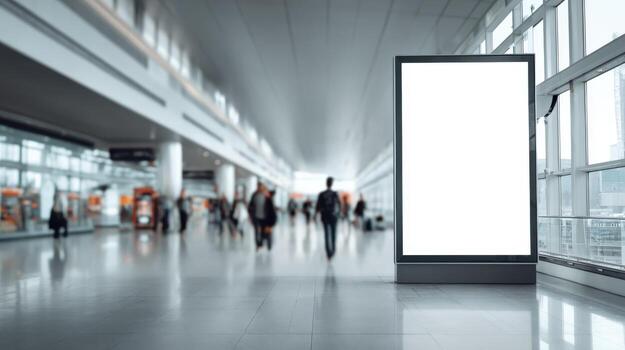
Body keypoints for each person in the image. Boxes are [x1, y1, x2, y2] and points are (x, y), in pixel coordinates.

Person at [316, 177, 341, 260]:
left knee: (326, 234)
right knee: (333, 234)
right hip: (333, 216)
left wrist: (316, 214)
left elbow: (318, 207)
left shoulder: (321, 194)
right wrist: (338, 213)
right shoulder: (335, 194)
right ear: (332, 184)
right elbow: (339, 205)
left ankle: (328, 253)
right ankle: (333, 250)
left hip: (325, 216)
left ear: (326, 183)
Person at [248, 182, 267, 250]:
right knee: (256, 231)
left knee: (262, 231)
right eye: (258, 186)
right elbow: (250, 205)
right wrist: (250, 215)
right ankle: (257, 244)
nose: (259, 188)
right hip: (255, 216)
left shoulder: (265, 195)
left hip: (264, 217)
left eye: (260, 186)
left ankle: (261, 242)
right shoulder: (254, 195)